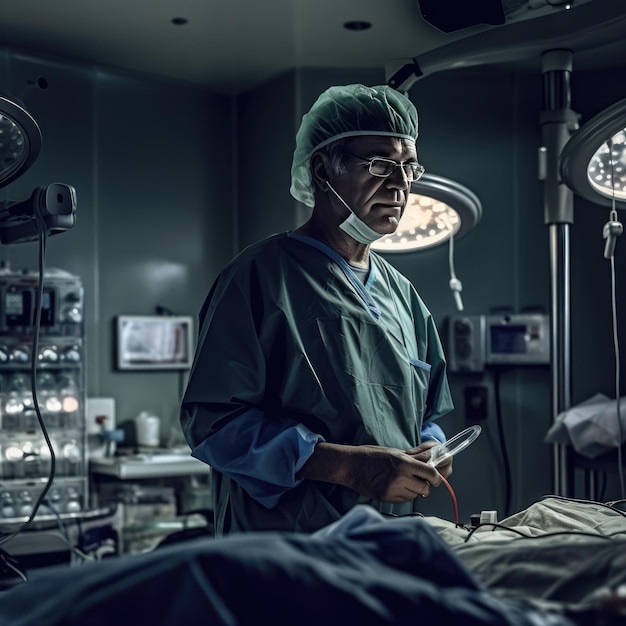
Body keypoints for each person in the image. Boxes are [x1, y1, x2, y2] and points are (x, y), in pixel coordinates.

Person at [180, 83, 454, 536]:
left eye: (408, 167)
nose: (401, 185)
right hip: (283, 548)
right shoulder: (260, 276)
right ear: (324, 170)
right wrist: (346, 468)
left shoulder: (402, 294)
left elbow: (425, 414)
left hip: (386, 540)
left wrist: (432, 448)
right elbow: (214, 425)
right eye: (380, 164)